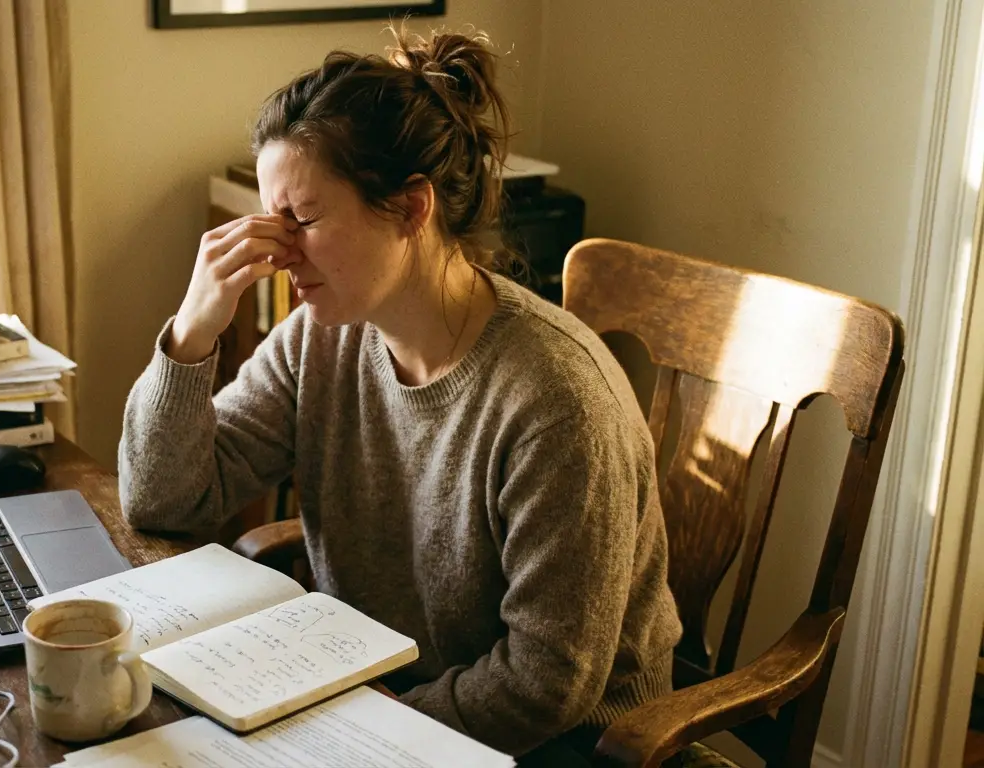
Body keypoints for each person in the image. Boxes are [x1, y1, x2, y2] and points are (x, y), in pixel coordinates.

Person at [119, 26, 682, 762]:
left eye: (305, 219)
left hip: (568, 745)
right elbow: (163, 500)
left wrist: (356, 730)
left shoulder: (556, 404)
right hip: (376, 700)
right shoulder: (323, 338)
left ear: (412, 209)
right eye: (271, 218)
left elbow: (548, 683)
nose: (280, 249)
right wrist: (194, 333)